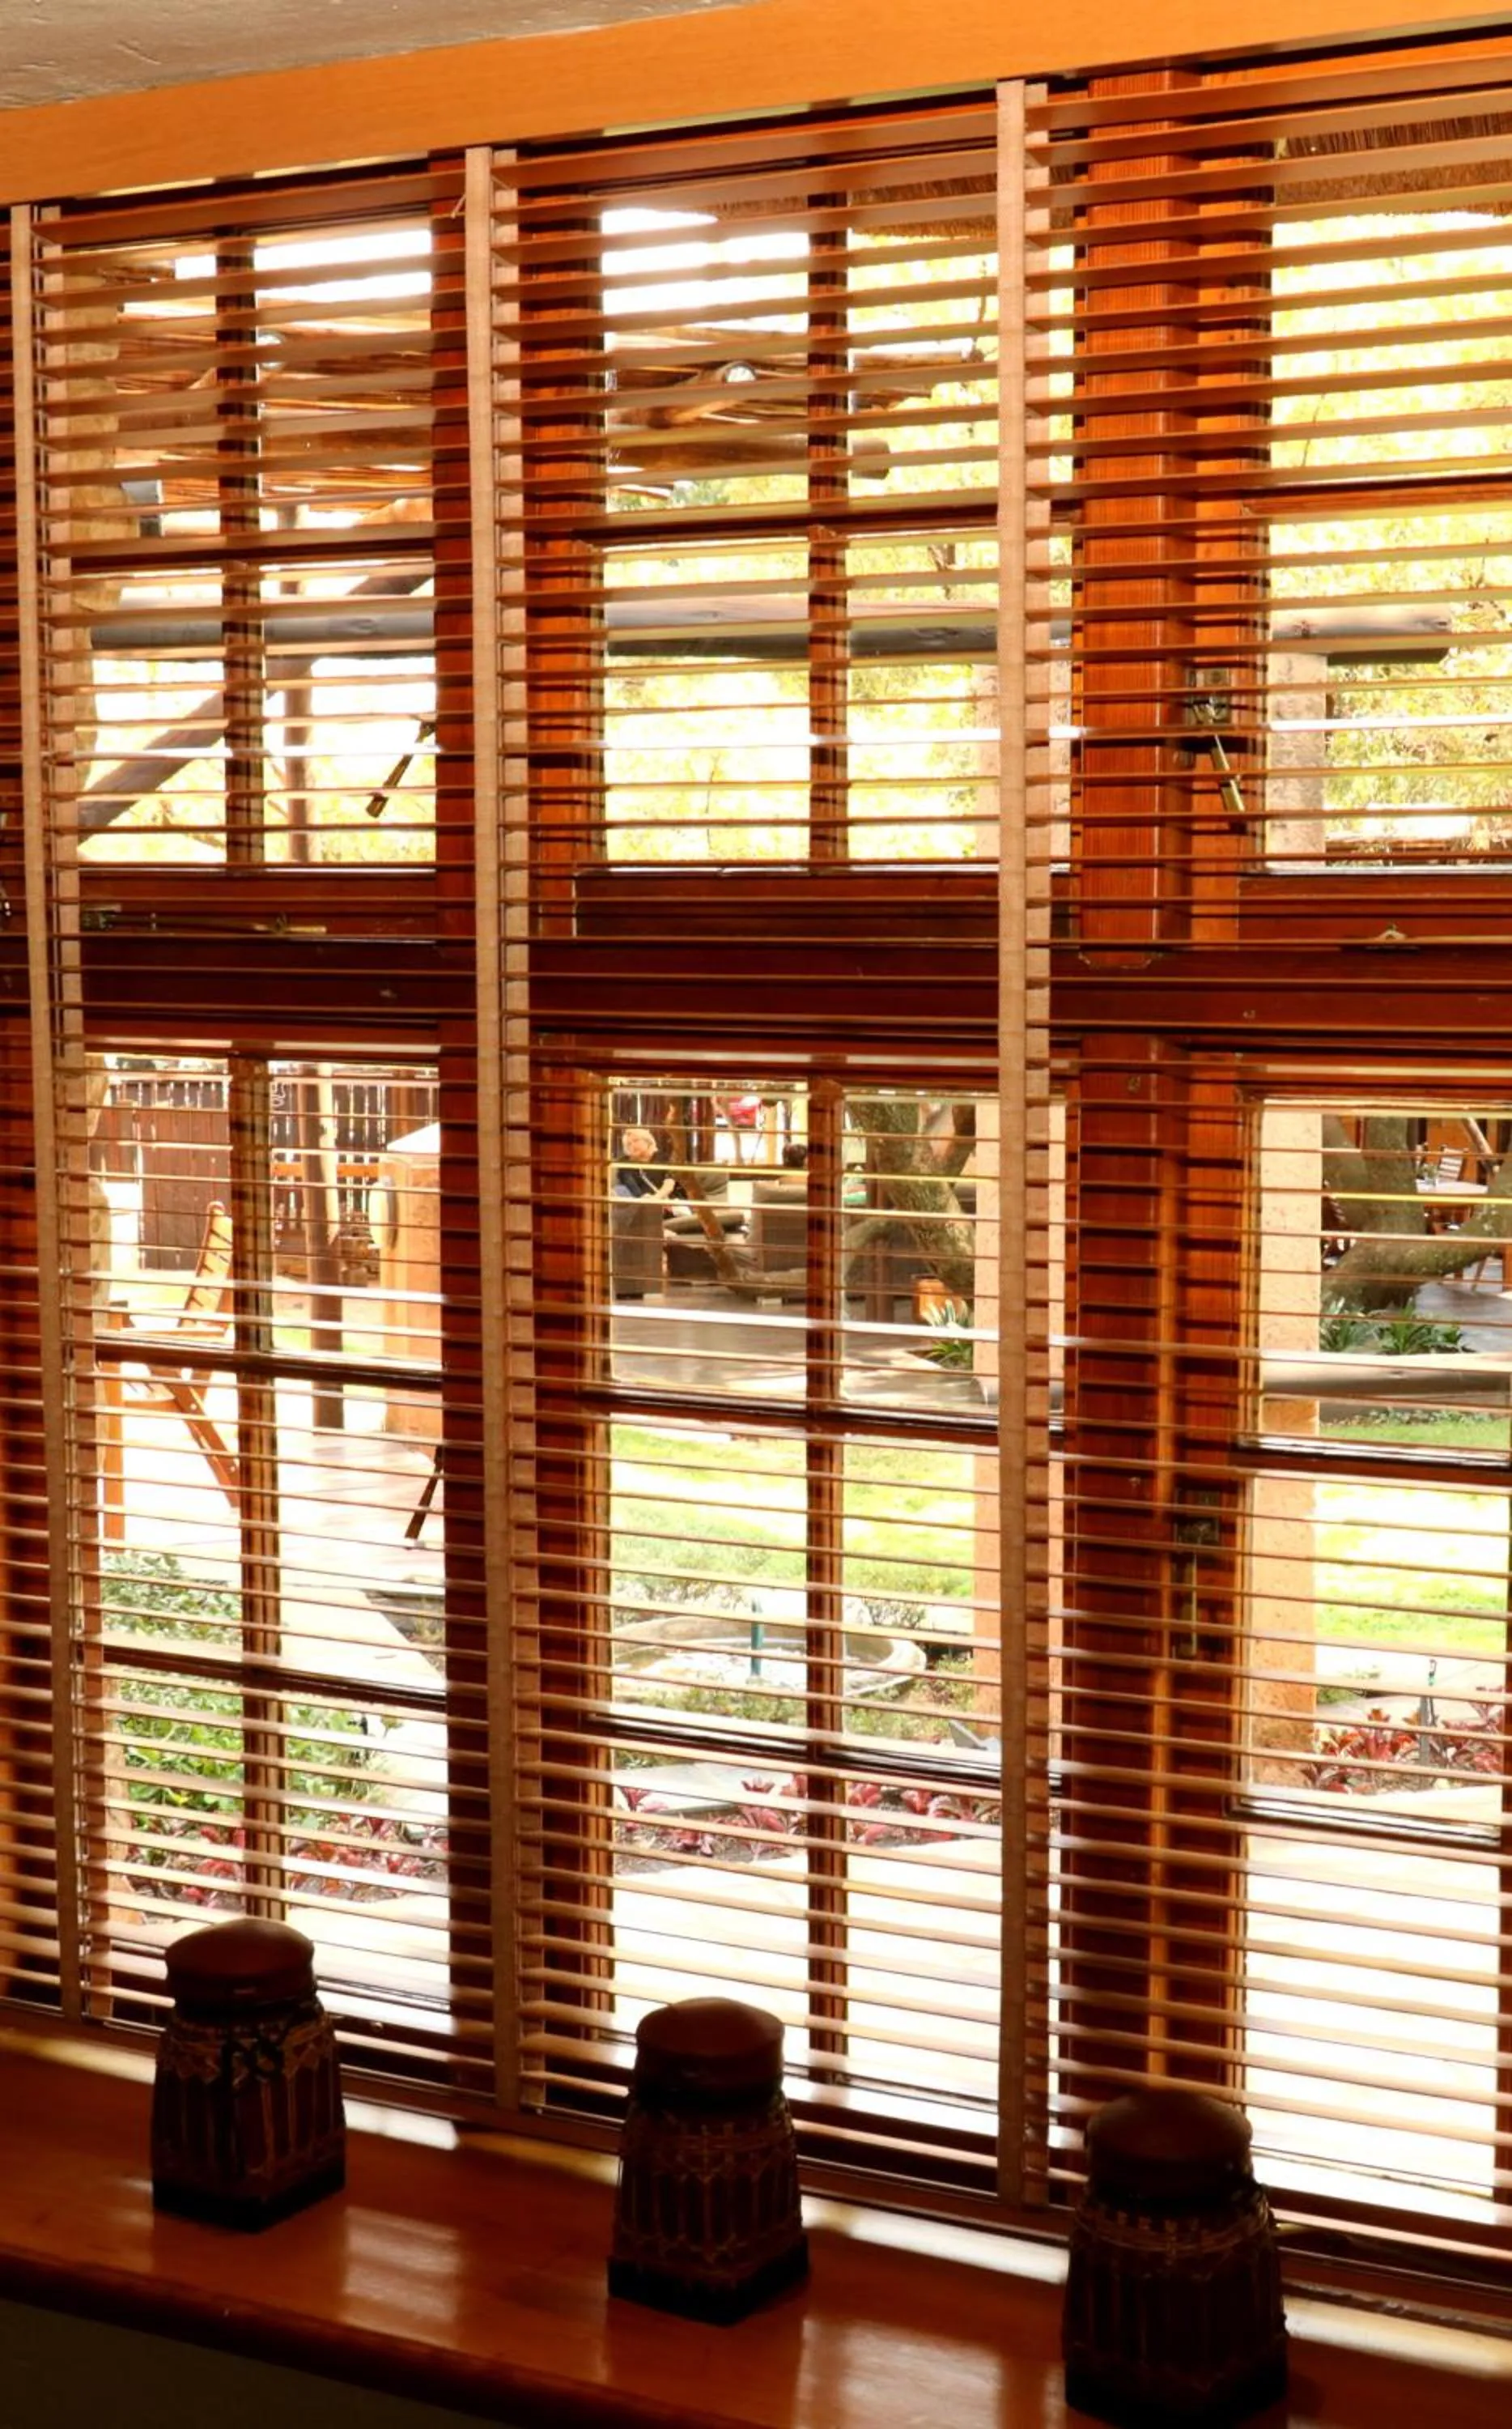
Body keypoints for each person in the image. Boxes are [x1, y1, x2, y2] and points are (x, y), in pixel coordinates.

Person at [614, 1125, 677, 1201]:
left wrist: (656, 1198)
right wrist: (643, 1199)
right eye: (629, 1144)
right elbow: (631, 1185)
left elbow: (669, 1183)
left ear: (647, 1141)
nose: (633, 1146)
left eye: (636, 1140)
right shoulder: (625, 1163)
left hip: (666, 1201)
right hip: (639, 1202)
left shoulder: (664, 1158)